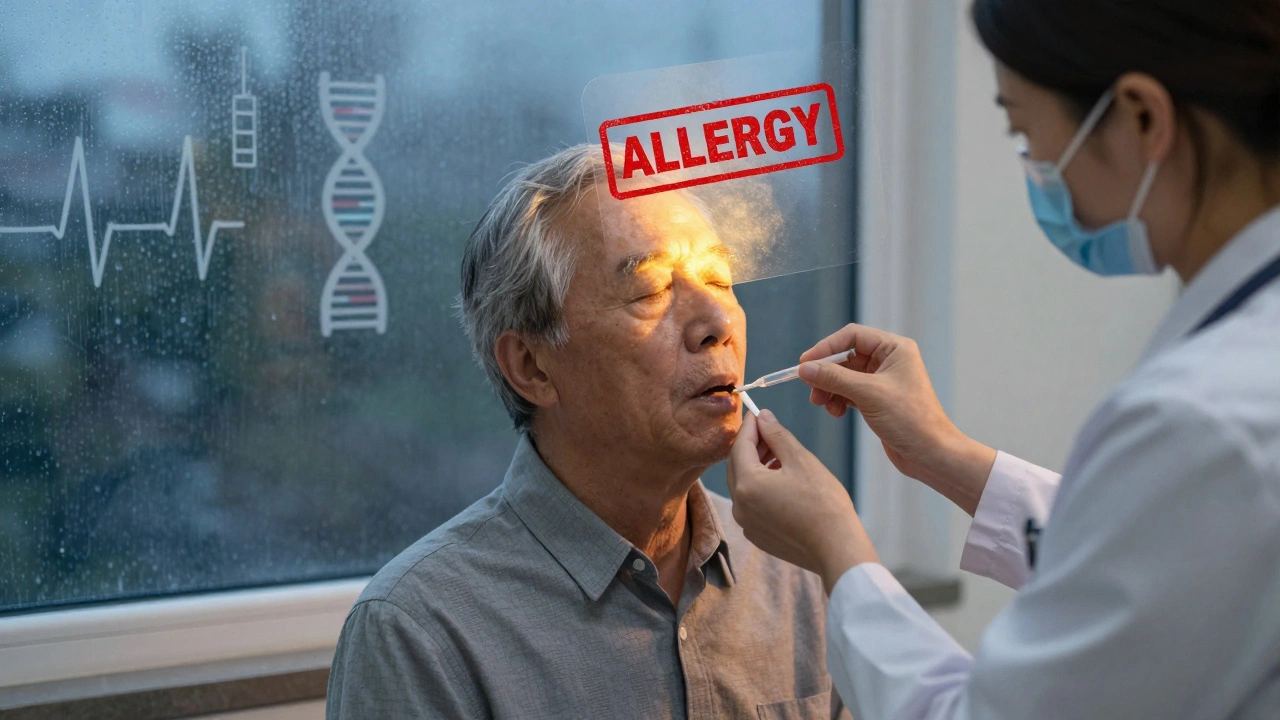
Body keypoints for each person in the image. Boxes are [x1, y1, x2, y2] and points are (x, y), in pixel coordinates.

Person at [725, 1, 1280, 718]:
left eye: (1025, 133)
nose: (1036, 171)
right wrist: (944, 455)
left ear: (1142, 118)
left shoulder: (1205, 422)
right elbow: (1168, 567)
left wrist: (838, 552)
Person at [326, 145, 851, 719]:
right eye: (652, 291)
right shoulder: (419, 631)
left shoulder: (795, 564)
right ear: (531, 365)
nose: (718, 324)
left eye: (720, 280)